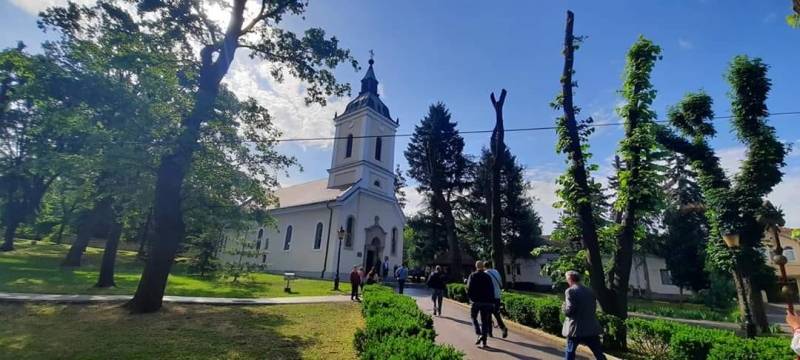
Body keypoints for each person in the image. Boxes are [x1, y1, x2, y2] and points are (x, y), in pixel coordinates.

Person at [562, 270, 606, 360]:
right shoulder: (590, 290)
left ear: (570, 279)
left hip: (576, 328)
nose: (566, 281)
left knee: (570, 351)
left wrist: (564, 309)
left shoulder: (570, 291)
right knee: (598, 352)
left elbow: (570, 310)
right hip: (591, 326)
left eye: (566, 278)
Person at [467, 260, 495, 348]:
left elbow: (469, 288)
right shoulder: (487, 277)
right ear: (483, 267)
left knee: (473, 317)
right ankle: (484, 342)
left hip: (476, 301)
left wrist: (470, 298)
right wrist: (492, 301)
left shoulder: (472, 275)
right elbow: (491, 290)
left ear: (476, 267)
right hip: (486, 302)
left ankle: (478, 333)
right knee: (485, 321)